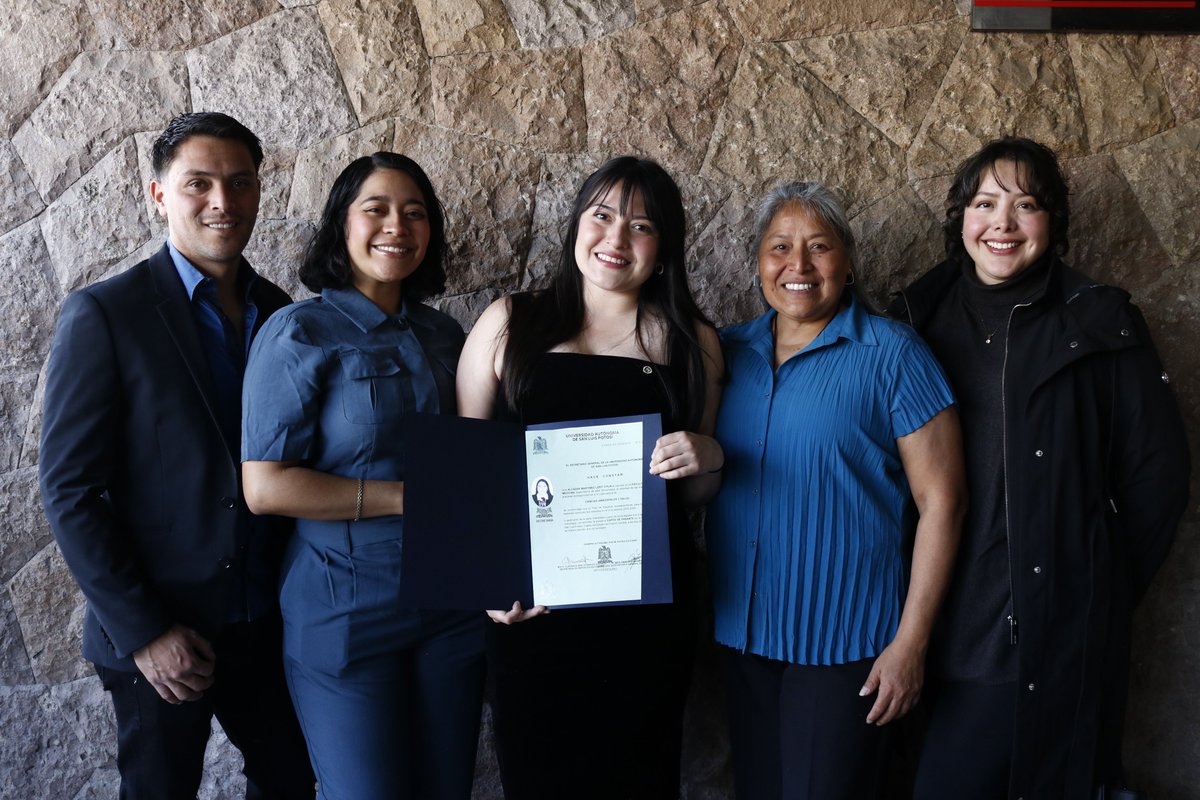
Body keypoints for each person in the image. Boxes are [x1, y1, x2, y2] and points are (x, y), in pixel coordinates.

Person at [888, 137, 1190, 799]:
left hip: (1038, 630)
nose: (1003, 223)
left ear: (1052, 223)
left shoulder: (1099, 321)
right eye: (986, 203)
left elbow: (1157, 474)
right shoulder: (914, 319)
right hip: (927, 623)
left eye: (1026, 206)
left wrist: (1091, 584)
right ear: (960, 218)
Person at [38, 112, 314, 798]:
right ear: (159, 193)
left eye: (240, 183)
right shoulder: (104, 314)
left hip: (267, 621)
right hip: (163, 630)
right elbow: (69, 488)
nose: (223, 201)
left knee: (294, 782)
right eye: (200, 183)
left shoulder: (281, 313)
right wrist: (146, 632)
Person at [457, 156, 724, 799]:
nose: (616, 239)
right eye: (601, 216)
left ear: (664, 249)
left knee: (640, 777)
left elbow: (693, 493)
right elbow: (469, 469)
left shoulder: (693, 341)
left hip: (644, 616)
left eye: (641, 226)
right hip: (532, 611)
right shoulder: (509, 321)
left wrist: (708, 456)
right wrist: (490, 580)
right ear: (576, 226)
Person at [705, 181, 966, 800]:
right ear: (758, 263)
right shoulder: (724, 352)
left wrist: (911, 644)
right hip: (741, 636)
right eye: (780, 247)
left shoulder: (893, 355)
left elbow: (944, 504)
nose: (798, 266)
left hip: (848, 646)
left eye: (819, 247)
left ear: (847, 262)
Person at [240, 152, 485, 800]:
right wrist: (409, 498)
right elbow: (265, 487)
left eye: (415, 212)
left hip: (452, 604)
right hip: (344, 610)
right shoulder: (298, 331)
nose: (396, 226)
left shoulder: (446, 333)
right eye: (375, 209)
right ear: (340, 226)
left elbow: (475, 459)